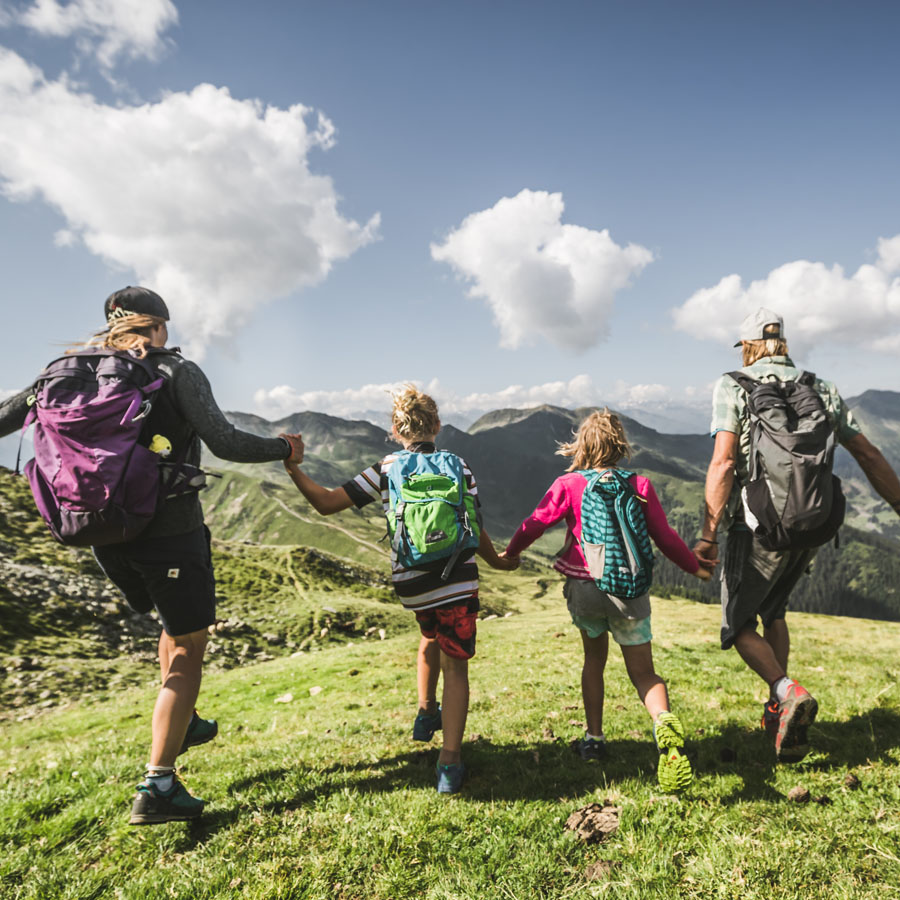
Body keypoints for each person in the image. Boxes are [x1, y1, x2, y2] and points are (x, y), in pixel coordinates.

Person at [0, 286, 303, 823]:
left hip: (102, 534)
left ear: (111, 326)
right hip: (170, 531)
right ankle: (157, 786)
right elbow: (226, 442)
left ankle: (183, 724)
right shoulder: (174, 370)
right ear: (159, 325)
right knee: (190, 644)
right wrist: (283, 448)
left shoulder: (65, 373)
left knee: (171, 623)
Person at [281, 384, 517, 794]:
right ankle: (450, 762)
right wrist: (497, 561)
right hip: (457, 578)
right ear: (438, 426)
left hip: (412, 583)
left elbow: (326, 503)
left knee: (430, 634)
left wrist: (293, 468)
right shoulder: (459, 466)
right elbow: (473, 526)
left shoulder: (387, 467)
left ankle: (427, 711)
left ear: (394, 429)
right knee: (456, 665)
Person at [695, 307, 900, 762]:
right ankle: (780, 716)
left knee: (739, 623)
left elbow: (724, 462)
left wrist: (708, 533)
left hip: (756, 528)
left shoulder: (733, 384)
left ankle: (786, 692)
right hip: (812, 526)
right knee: (776, 612)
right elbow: (865, 453)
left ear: (747, 344)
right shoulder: (819, 386)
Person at [501, 409, 711, 793]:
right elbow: (665, 537)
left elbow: (535, 522)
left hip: (585, 589)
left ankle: (594, 738)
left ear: (582, 446)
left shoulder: (568, 485)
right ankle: (663, 722)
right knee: (644, 673)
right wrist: (694, 567)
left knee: (594, 661)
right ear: (620, 446)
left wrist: (511, 554)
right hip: (628, 591)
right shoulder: (640, 485)